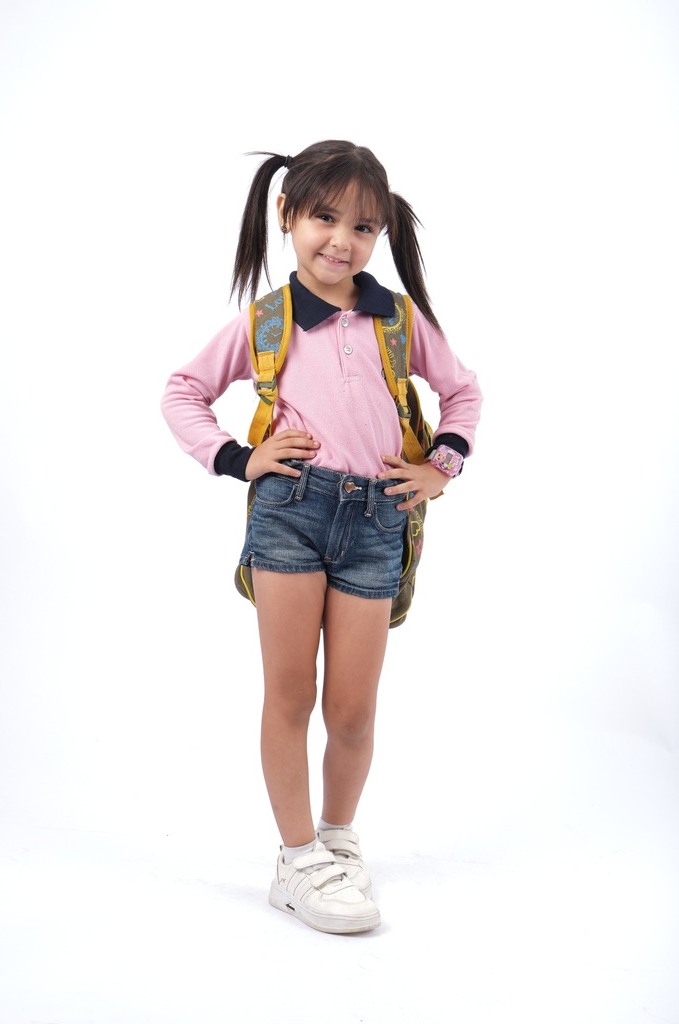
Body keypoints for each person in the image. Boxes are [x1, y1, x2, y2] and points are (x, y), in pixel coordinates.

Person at [161, 140, 482, 934]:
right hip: (290, 514)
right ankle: (298, 858)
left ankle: (338, 840)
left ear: (382, 236)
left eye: (364, 227)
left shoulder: (396, 318)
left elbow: (462, 392)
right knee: (291, 694)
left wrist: (441, 463)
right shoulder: (265, 321)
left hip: (378, 519)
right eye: (325, 217)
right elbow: (182, 392)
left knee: (350, 710)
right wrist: (239, 458)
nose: (342, 240)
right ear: (287, 215)